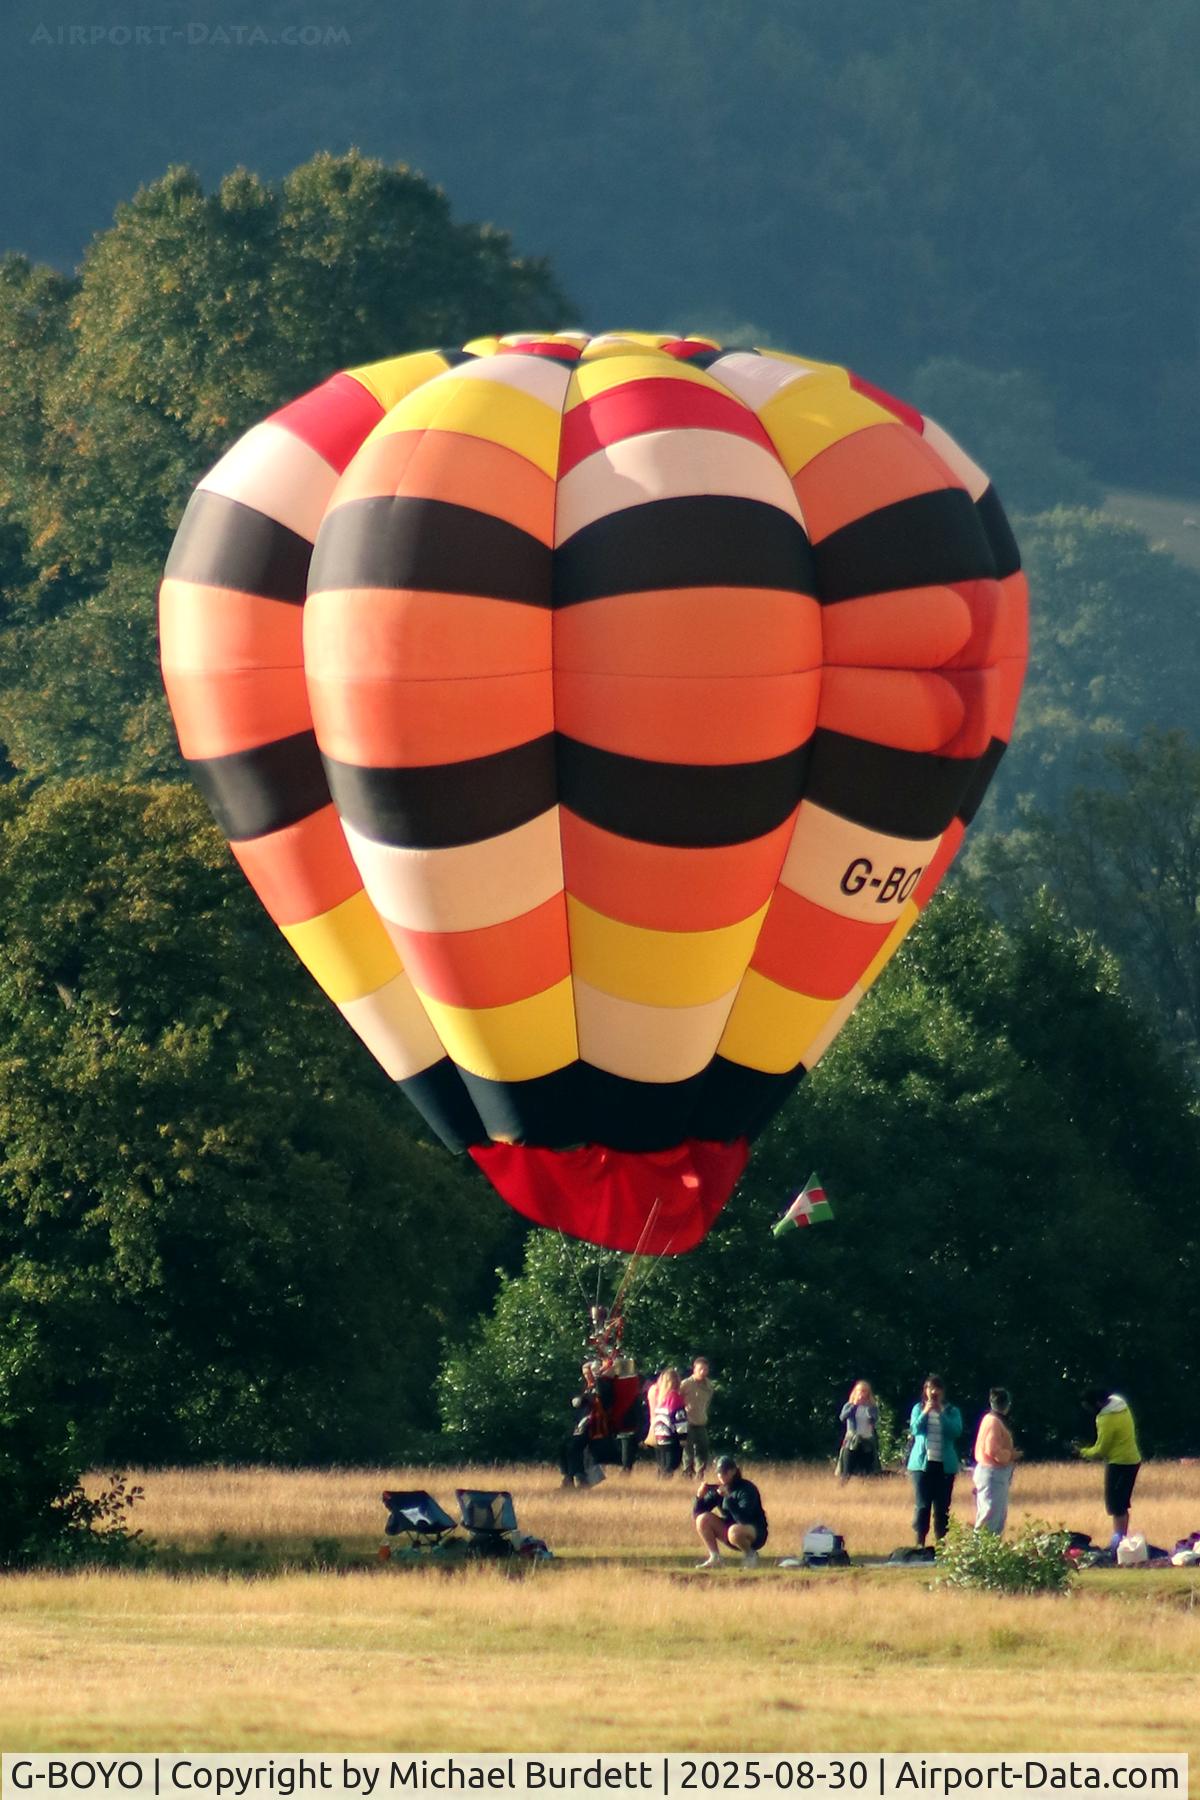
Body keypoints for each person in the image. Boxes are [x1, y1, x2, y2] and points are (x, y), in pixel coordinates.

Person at [1078, 1389, 1142, 1539]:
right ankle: (1122, 1538)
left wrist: (1083, 1452)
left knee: (1116, 1506)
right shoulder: (1121, 1404)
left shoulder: (1105, 1419)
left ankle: (1118, 1540)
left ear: (1098, 1403)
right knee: (1123, 1503)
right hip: (1133, 1461)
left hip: (1118, 1463)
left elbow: (1101, 1450)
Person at [907, 1374, 963, 1546]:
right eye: (930, 1388)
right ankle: (920, 1544)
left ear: (942, 1392)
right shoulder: (918, 1408)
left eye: (937, 1388)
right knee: (922, 1505)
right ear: (925, 1390)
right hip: (922, 1466)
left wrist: (941, 1414)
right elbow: (915, 1429)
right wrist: (926, 1412)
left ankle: (941, 1546)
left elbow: (955, 1432)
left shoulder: (952, 1411)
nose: (933, 1392)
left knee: (942, 1508)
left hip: (944, 1466)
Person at [694, 1454, 769, 1569]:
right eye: (719, 1473)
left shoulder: (747, 1489)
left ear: (734, 1471)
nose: (721, 1476)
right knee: (702, 1519)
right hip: (730, 1532)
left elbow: (744, 1519)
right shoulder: (719, 1489)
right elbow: (697, 1514)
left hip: (754, 1531)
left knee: (734, 1531)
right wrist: (699, 1497)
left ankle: (750, 1555)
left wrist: (728, 1498)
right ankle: (715, 1557)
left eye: (725, 1472)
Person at [972, 1387, 1018, 1534]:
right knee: (990, 1517)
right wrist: (1011, 1455)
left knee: (996, 1517)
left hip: (992, 1473)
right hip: (993, 1474)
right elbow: (992, 1450)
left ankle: (991, 1552)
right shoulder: (994, 1422)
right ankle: (982, 1552)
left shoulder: (989, 1419)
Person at [836, 1379, 880, 1480]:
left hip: (867, 1440)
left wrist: (868, 1408)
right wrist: (854, 1406)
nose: (863, 1394)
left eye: (865, 1391)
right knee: (846, 1471)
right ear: (856, 1392)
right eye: (861, 1391)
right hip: (852, 1440)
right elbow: (842, 1417)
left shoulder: (872, 1407)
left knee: (868, 1472)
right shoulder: (849, 1405)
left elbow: (875, 1419)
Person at [680, 1357, 716, 1477]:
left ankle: (700, 1474)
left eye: (705, 1369)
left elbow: (708, 1402)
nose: (703, 1372)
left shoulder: (709, 1386)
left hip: (701, 1422)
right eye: (700, 1369)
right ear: (694, 1369)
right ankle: (687, 1474)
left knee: (703, 1449)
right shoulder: (686, 1384)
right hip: (688, 1422)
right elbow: (677, 1400)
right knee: (688, 1451)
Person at [650, 1367, 688, 1477]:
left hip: (660, 1435)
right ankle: (664, 1485)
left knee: (662, 1464)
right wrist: (683, 1437)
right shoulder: (675, 1397)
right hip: (671, 1436)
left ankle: (659, 1486)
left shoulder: (661, 1397)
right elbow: (679, 1418)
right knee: (672, 1464)